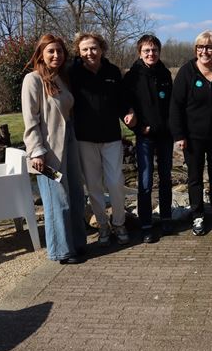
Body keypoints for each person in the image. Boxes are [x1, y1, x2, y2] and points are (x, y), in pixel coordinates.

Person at [21, 34, 87, 264]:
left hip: (69, 144)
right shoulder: (33, 79)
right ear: (41, 53)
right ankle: (61, 251)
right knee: (57, 200)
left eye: (59, 51)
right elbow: (30, 119)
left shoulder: (61, 78)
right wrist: (36, 152)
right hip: (48, 152)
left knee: (76, 195)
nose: (56, 55)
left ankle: (77, 243)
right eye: (51, 51)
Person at [69, 32, 130, 246]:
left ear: (101, 49)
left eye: (93, 48)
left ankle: (119, 223)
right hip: (85, 138)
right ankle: (103, 226)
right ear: (79, 51)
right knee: (94, 186)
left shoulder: (112, 71)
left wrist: (127, 113)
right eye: (85, 49)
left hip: (111, 137)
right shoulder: (72, 73)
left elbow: (122, 100)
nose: (89, 53)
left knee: (115, 182)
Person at [169, 30, 212, 236]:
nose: (204, 51)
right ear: (195, 49)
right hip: (192, 138)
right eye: (200, 47)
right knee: (195, 177)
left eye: (209, 47)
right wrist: (179, 135)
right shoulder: (187, 72)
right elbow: (176, 106)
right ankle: (197, 215)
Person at [123, 34, 174, 244]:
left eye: (154, 50)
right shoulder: (132, 76)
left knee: (166, 178)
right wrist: (136, 123)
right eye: (147, 51)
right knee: (145, 181)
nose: (151, 54)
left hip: (165, 135)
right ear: (140, 53)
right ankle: (145, 223)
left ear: (159, 52)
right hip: (144, 136)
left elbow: (171, 103)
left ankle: (166, 218)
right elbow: (125, 106)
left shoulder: (165, 74)